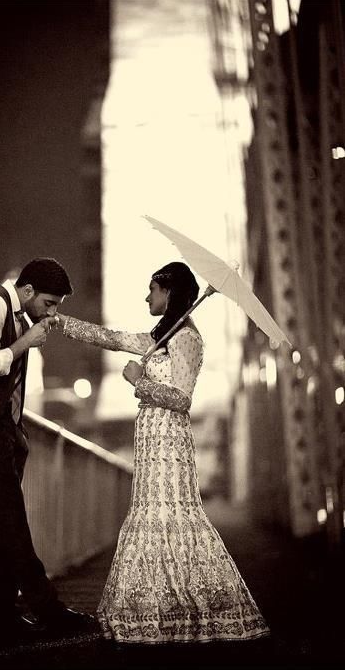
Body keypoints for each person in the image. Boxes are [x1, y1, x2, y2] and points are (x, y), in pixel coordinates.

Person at [51, 261, 270, 644]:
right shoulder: (162, 335)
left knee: (171, 515)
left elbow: (182, 399)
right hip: (151, 439)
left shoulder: (187, 338)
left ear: (170, 291)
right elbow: (112, 338)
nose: (147, 296)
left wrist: (140, 383)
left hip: (170, 441)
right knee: (150, 514)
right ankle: (155, 608)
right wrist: (60, 322)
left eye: (152, 289)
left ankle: (195, 607)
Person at [0, 257, 94, 637]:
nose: (53, 311)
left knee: (3, 528)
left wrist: (17, 435)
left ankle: (2, 616)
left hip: (4, 434)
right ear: (27, 291)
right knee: (12, 525)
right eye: (49, 302)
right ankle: (49, 611)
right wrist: (25, 343)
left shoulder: (20, 317)